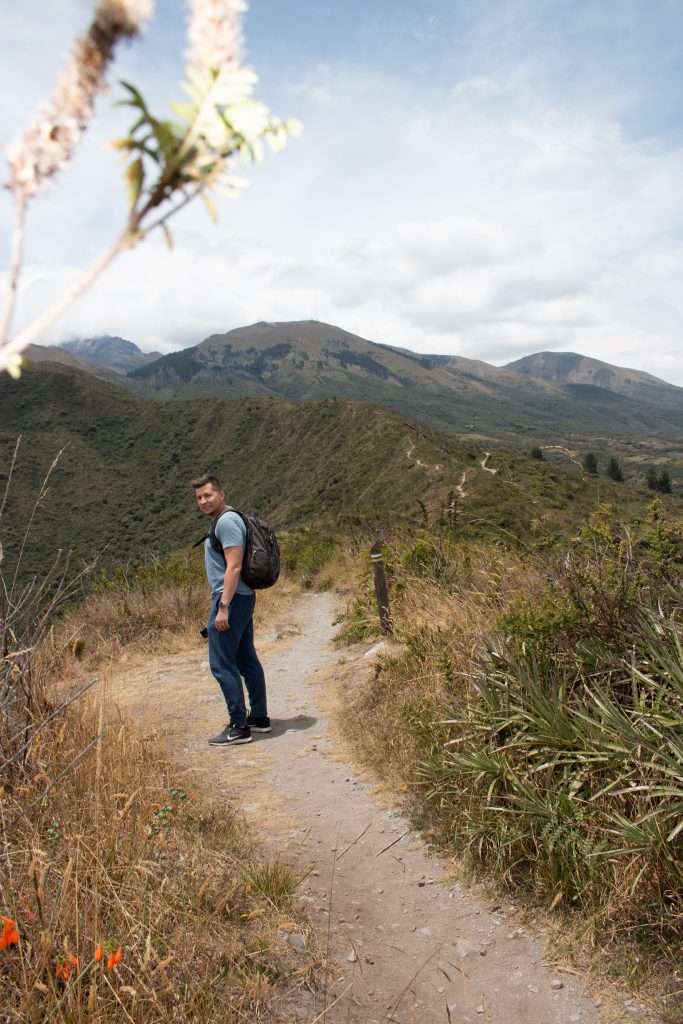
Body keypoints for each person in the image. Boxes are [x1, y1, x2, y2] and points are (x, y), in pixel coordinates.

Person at [190, 474, 270, 745]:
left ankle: (239, 725)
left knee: (221, 664)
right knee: (246, 658)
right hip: (241, 598)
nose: (203, 501)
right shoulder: (225, 520)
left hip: (232, 599)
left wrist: (223, 607)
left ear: (221, 494)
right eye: (199, 497)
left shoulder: (227, 522)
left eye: (208, 495)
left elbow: (233, 567)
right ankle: (259, 718)